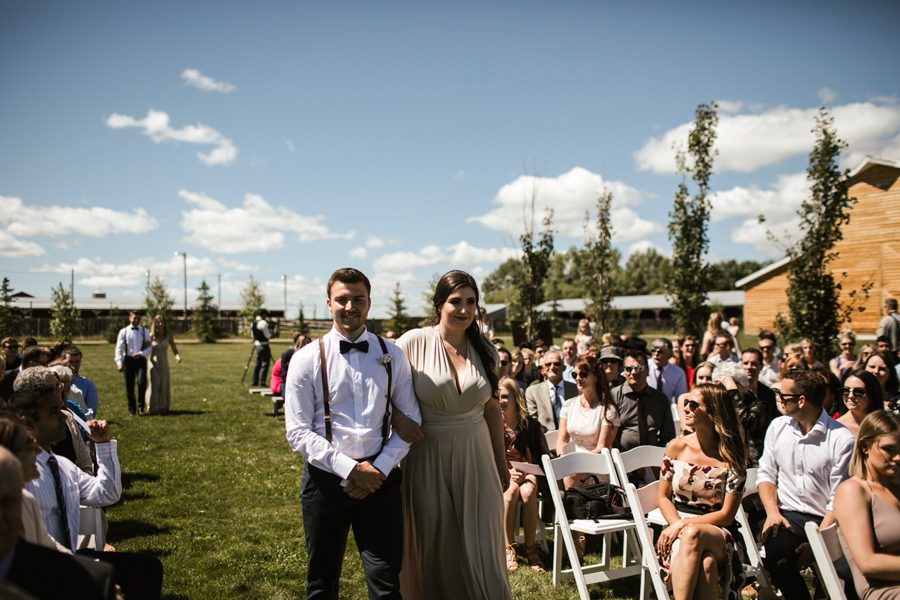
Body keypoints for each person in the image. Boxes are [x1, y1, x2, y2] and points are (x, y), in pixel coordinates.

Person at [284, 268, 422, 600]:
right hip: (325, 482)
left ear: (369, 303)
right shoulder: (306, 360)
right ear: (329, 303)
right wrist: (351, 470)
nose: (350, 307)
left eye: (357, 299)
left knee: (386, 580)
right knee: (321, 581)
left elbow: (410, 420)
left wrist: (377, 469)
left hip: (381, 480)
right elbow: (298, 432)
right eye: (342, 300)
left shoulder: (391, 355)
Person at [396, 270, 512, 600]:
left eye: (470, 302)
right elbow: (386, 394)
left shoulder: (486, 350)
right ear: (439, 305)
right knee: (436, 541)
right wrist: (398, 421)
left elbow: (492, 409)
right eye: (455, 302)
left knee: (482, 542)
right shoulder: (412, 342)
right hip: (426, 455)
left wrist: (501, 462)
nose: (463, 309)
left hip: (477, 456)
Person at [757, 368, 856, 600]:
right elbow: (766, 475)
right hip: (789, 516)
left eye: (783, 396)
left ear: (801, 401)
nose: (778, 400)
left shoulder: (841, 439)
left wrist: (818, 541)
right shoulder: (777, 427)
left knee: (843, 573)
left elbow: (839, 498)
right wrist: (772, 513)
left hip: (830, 519)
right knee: (778, 559)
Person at [656, 383, 748, 600]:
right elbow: (663, 496)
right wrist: (675, 524)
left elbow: (726, 515)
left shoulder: (732, 455)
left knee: (693, 534)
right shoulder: (676, 447)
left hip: (717, 531)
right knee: (707, 566)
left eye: (694, 404)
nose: (686, 408)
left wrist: (681, 526)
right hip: (677, 524)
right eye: (686, 402)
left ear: (713, 412)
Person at [0, 446, 117, 600]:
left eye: (9, 503)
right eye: (27, 443)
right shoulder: (23, 484)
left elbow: (107, 493)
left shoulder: (61, 468)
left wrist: (103, 444)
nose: (35, 449)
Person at [833, 410, 900, 599]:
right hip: (882, 589)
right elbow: (868, 563)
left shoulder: (895, 486)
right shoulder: (853, 491)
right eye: (889, 449)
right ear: (864, 447)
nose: (898, 457)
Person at [498, 377, 548, 573]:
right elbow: (489, 456)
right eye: (498, 397)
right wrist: (508, 471)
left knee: (527, 492)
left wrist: (524, 469)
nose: (501, 401)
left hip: (528, 471)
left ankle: (530, 547)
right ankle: (509, 547)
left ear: (515, 398)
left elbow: (540, 458)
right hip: (502, 473)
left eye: (505, 397)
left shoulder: (530, 426)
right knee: (510, 493)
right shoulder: (493, 425)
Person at [556, 350, 619, 483]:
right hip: (570, 463)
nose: (578, 378)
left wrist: (576, 465)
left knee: (571, 476)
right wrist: (563, 460)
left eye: (583, 374)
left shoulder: (608, 410)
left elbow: (602, 448)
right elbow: (562, 439)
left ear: (596, 377)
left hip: (596, 466)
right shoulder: (568, 405)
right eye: (575, 374)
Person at [611, 350, 675, 452]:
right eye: (628, 369)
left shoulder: (660, 399)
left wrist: (659, 457)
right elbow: (609, 436)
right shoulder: (614, 396)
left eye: (639, 368)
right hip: (622, 459)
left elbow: (668, 436)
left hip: (654, 459)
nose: (633, 372)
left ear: (648, 370)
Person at [525, 350, 577, 432]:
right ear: (544, 368)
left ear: (564, 368)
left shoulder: (575, 389)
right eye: (548, 364)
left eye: (556, 364)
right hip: (545, 438)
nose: (552, 367)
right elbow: (533, 420)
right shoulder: (533, 391)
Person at [114, 311, 150, 415]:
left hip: (141, 360)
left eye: (138, 318)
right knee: (129, 386)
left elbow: (150, 346)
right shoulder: (123, 331)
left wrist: (141, 353)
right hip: (128, 361)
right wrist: (119, 362)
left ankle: (141, 407)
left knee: (141, 383)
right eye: (134, 318)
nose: (136, 320)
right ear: (130, 318)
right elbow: (118, 348)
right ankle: (132, 409)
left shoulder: (145, 331)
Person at [144, 315, 181, 415]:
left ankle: (163, 407)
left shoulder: (168, 335)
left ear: (164, 323)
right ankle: (153, 407)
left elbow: (174, 347)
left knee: (164, 383)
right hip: (153, 362)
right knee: (154, 384)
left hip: (164, 362)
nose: (160, 324)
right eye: (158, 322)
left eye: (162, 322)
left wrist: (177, 356)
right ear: (155, 323)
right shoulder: (151, 335)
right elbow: (144, 348)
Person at [837, 370, 884, 436]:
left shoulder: (885, 426)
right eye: (846, 390)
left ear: (872, 394)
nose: (850, 396)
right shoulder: (835, 427)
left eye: (858, 392)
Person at [647, 337, 687, 405]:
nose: (656, 354)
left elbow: (680, 400)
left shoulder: (678, 373)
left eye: (660, 351)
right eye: (653, 351)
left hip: (667, 410)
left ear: (669, 353)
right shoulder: (644, 366)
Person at [251, 309, 273, 387]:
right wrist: (272, 333)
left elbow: (253, 336)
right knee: (265, 364)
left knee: (258, 364)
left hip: (257, 345)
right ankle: (262, 382)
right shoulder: (263, 323)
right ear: (263, 314)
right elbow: (267, 335)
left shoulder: (254, 323)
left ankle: (254, 381)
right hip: (264, 345)